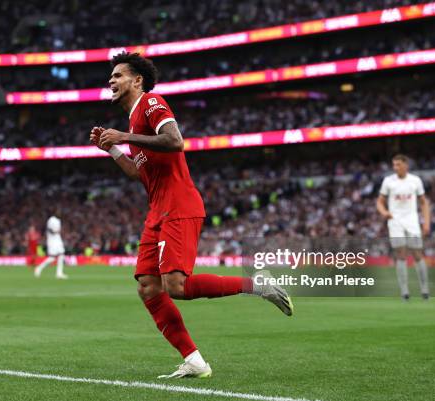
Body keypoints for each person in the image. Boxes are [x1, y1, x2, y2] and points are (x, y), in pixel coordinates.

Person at [90, 52, 292, 379]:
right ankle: (194, 360)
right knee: (148, 286)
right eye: (110, 77)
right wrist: (112, 149)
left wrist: (124, 138)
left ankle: (256, 285)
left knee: (176, 286)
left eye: (117, 75)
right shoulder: (133, 120)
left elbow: (175, 141)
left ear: (137, 80)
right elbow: (139, 175)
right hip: (157, 209)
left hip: (179, 206)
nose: (111, 81)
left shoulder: (152, 102)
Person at [377, 154, 430, 300]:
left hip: (412, 221)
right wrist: (384, 212)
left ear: (406, 165)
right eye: (394, 165)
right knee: (400, 255)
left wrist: (426, 222)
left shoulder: (415, 181)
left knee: (417, 254)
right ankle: (404, 292)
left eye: (398, 164)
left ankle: (425, 290)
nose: (396, 168)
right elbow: (380, 201)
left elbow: (424, 202)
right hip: (395, 222)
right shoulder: (388, 181)